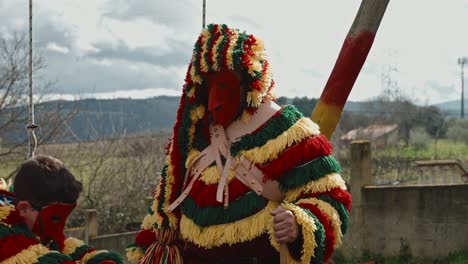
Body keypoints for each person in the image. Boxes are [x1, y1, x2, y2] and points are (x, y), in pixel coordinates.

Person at [127, 24, 351, 264]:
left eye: (224, 84)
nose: (214, 101)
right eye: (209, 85)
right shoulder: (191, 137)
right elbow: (163, 209)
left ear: (249, 83)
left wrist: (299, 223)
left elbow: (332, 199)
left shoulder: (289, 130)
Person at [0, 154, 124, 264]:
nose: (61, 225)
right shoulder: (7, 242)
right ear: (24, 209)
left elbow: (65, 247)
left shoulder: (41, 234)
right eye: (54, 217)